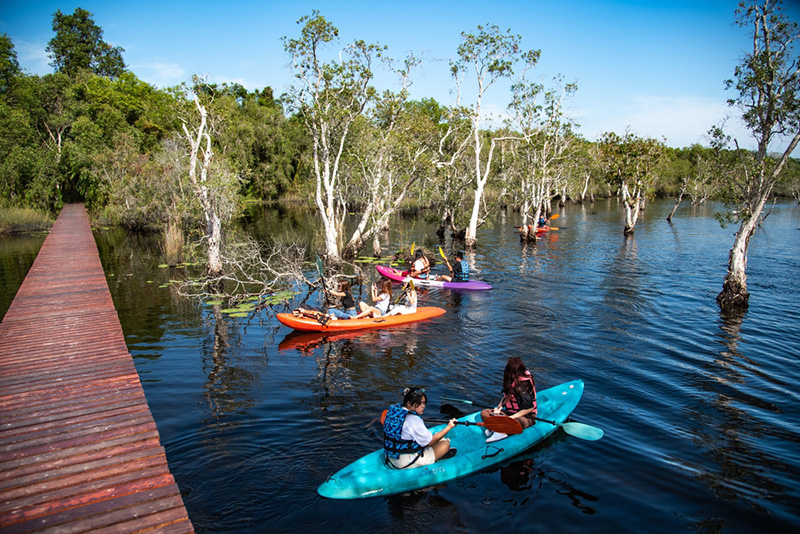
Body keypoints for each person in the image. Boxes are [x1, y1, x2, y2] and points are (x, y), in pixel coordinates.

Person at [383, 387, 457, 469]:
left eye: (424, 403)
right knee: (445, 444)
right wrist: (449, 427)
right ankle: (434, 458)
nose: (423, 406)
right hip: (403, 463)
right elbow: (430, 442)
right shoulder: (414, 420)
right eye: (419, 403)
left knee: (436, 436)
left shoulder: (394, 411)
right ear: (409, 404)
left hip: (389, 457)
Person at [480, 357, 537, 442]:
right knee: (485, 413)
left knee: (515, 422)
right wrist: (499, 407)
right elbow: (507, 396)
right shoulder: (512, 381)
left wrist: (512, 417)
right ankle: (496, 428)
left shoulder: (521, 385)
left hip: (525, 417)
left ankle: (501, 432)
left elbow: (530, 408)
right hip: (509, 413)